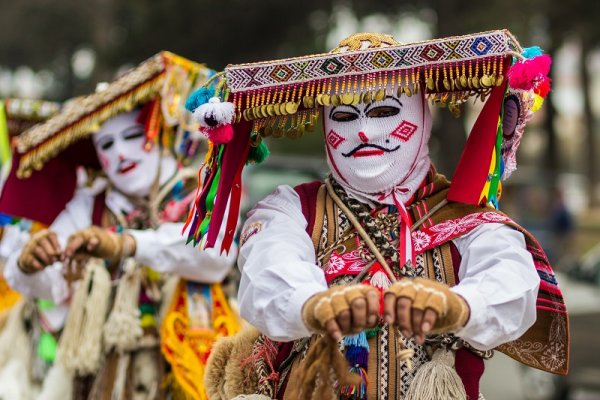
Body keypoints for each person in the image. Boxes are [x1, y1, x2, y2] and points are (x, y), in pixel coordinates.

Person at [186, 32, 569, 399]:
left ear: (423, 118)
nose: (365, 133)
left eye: (385, 111)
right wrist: (316, 305)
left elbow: (511, 283)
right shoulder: (290, 210)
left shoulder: (470, 221)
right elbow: (268, 277)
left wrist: (457, 307)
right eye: (346, 117)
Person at [4, 52, 239, 400]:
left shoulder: (196, 189)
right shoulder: (90, 204)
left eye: (132, 136)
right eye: (107, 145)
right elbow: (51, 285)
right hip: (105, 372)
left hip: (190, 362)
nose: (121, 155)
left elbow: (215, 255)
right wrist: (30, 263)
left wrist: (127, 245)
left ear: (157, 131)